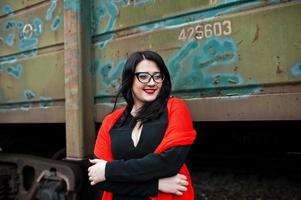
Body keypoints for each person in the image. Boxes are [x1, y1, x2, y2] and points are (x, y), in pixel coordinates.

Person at [88, 50, 196, 200]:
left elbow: (169, 163)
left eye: (157, 76)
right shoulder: (111, 122)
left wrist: (108, 169)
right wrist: (155, 186)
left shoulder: (175, 108)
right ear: (129, 79)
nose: (152, 82)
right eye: (143, 76)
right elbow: (98, 180)